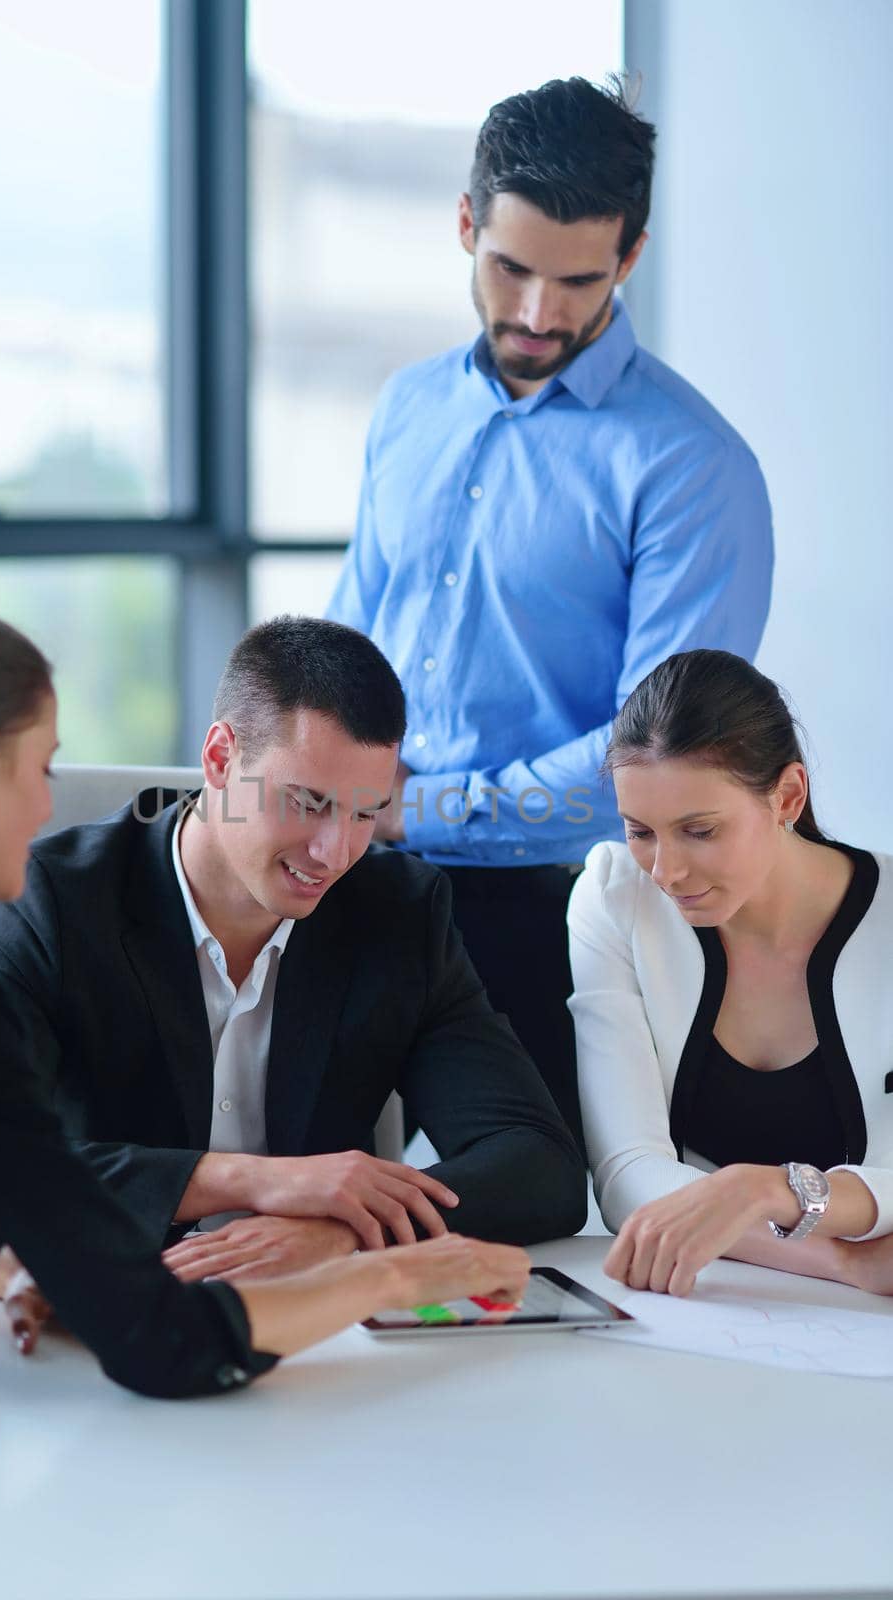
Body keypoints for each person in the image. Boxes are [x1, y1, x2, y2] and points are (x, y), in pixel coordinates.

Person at [0, 599, 534, 1599]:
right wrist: (406, 1270)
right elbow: (166, 1342)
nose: (50, 801)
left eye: (364, 813)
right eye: (44, 767)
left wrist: (33, 1262)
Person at [326, 76, 774, 1146]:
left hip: (550, 917)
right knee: (298, 1178)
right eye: (510, 268)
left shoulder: (690, 468)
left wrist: (418, 811)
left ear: (630, 255)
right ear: (467, 223)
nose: (537, 313)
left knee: (521, 1220)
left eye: (577, 279)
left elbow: (662, 759)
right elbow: (348, 644)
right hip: (352, 876)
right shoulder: (409, 407)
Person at [0, 615, 583, 1319]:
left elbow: (540, 1164)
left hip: (313, 1332)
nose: (336, 852)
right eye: (309, 803)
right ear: (221, 757)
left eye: (365, 813)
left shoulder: (398, 912)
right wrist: (253, 1182)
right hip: (104, 1313)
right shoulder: (43, 903)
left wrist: (340, 1227)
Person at [567, 648, 893, 1298]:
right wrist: (842, 1262)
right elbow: (628, 1175)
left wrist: (767, 1189)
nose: (666, 872)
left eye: (699, 830)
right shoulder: (614, 895)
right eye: (642, 831)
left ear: (787, 796)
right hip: (717, 1309)